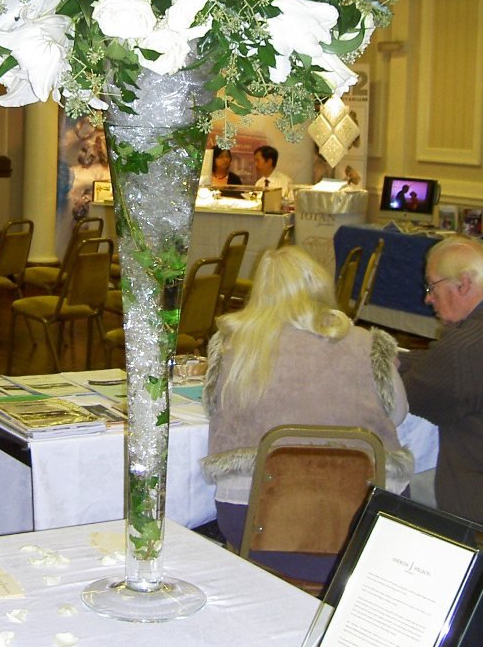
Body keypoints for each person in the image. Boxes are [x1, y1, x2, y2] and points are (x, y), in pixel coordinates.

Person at [202, 246, 413, 580]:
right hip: (364, 524)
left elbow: (215, 409)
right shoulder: (366, 344)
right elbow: (398, 414)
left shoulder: (233, 346)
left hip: (256, 523)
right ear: (320, 286)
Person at [400, 235, 483, 524]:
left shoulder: (463, 349)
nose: (427, 298)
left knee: (384, 485)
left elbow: (407, 396)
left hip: (470, 509)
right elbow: (437, 366)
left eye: (432, 286)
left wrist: (381, 358)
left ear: (463, 284)